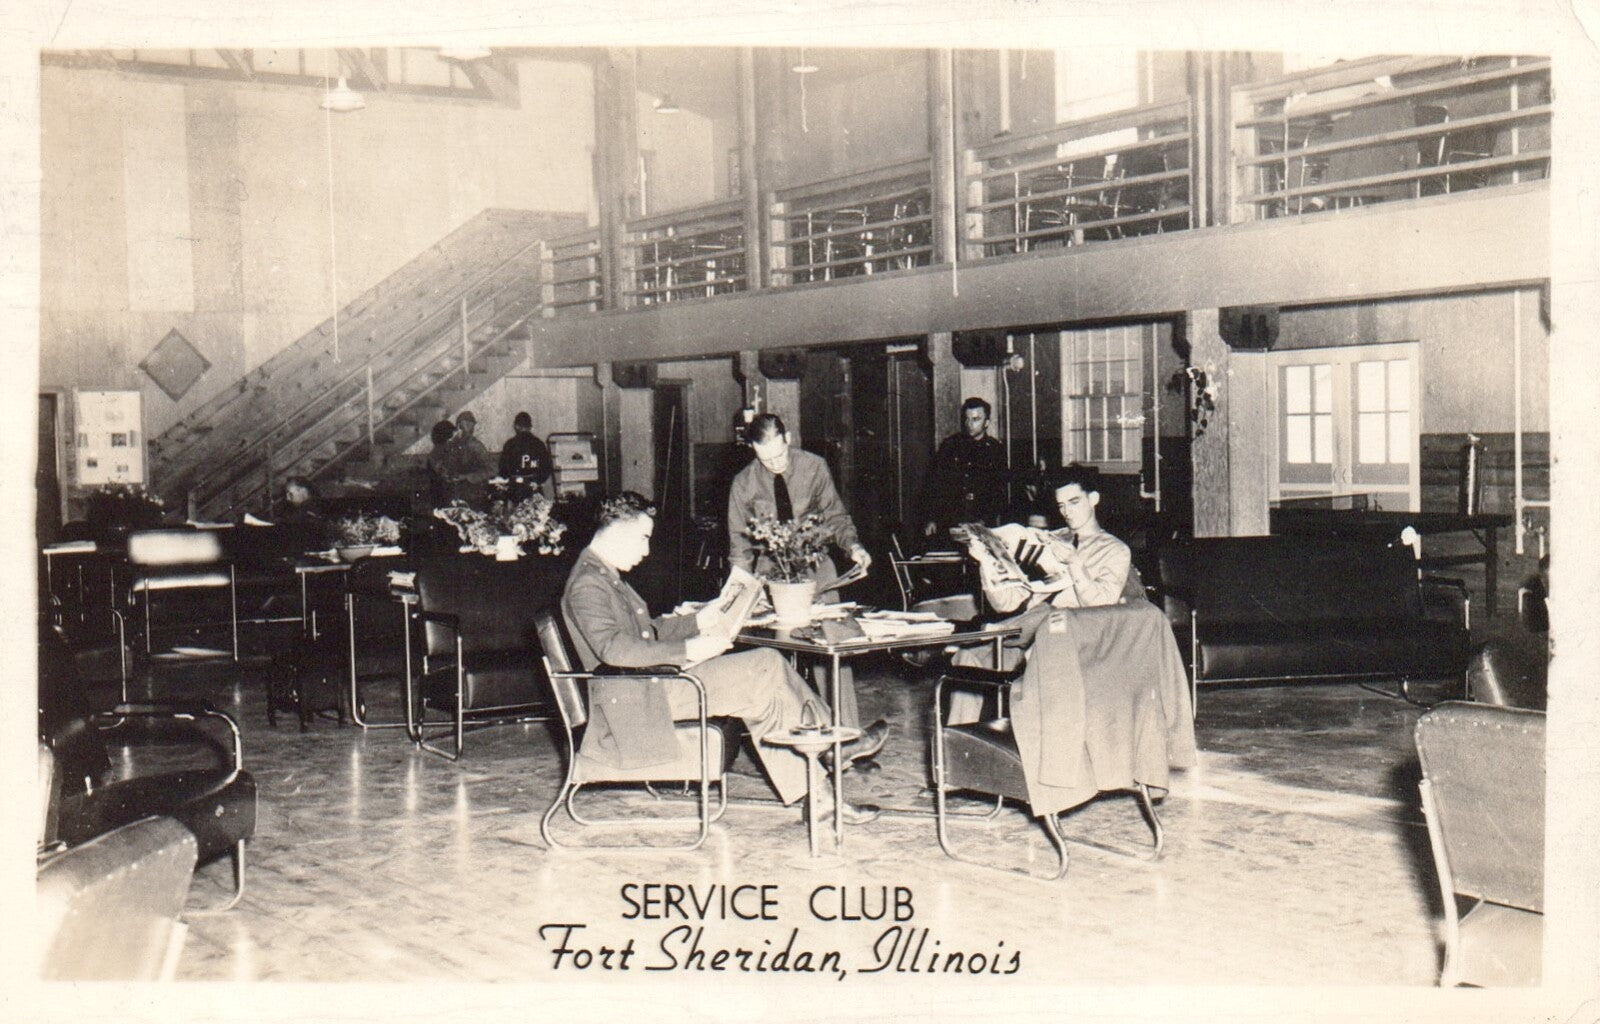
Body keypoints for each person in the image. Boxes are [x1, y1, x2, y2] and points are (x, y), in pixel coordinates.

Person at [560, 493, 880, 824]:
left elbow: (647, 633)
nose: (646, 551)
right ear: (615, 531)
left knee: (767, 690)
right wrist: (689, 650)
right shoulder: (589, 583)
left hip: (648, 686)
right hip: (637, 697)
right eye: (642, 539)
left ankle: (822, 790)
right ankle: (833, 746)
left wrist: (701, 620)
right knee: (765, 666)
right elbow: (614, 649)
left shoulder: (601, 575)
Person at [726, 414, 883, 739]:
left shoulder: (814, 467)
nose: (774, 464)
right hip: (772, 574)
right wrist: (742, 592)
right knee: (775, 655)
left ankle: (848, 738)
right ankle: (792, 735)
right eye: (765, 458)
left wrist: (853, 546)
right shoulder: (743, 483)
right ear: (753, 449)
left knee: (834, 649)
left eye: (779, 455)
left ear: (789, 437)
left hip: (816, 570)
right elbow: (739, 547)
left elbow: (835, 515)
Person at [947, 466, 1133, 724]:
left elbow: (1102, 603)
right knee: (967, 659)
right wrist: (986, 563)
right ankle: (961, 746)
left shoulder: (1115, 549)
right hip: (1026, 630)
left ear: (1093, 499)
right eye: (1061, 505)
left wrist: (1075, 563)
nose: (1067, 512)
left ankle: (978, 632)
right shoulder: (1049, 540)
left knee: (1037, 627)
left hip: (1067, 637)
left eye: (1074, 502)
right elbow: (1007, 602)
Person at [922, 397, 1008, 541]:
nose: (970, 424)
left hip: (981, 521)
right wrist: (931, 518)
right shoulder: (950, 446)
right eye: (967, 419)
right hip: (951, 519)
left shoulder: (995, 450)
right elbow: (934, 484)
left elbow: (998, 491)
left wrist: (984, 520)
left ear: (986, 422)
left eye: (976, 419)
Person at [497, 411, 552, 499]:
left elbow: (503, 470)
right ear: (530, 427)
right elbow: (547, 469)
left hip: (515, 491)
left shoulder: (510, 444)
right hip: (534, 490)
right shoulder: (539, 444)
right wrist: (536, 481)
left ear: (516, 426)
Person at [447, 410, 494, 504]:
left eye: (468, 424)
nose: (462, 429)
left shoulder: (476, 446)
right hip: (457, 494)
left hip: (475, 494)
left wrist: (467, 477)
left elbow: (492, 470)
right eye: (460, 425)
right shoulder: (452, 445)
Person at [425, 419, 457, 506]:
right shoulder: (438, 453)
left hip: (444, 495)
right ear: (445, 438)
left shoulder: (443, 451)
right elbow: (445, 474)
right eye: (451, 439)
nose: (453, 442)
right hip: (442, 497)